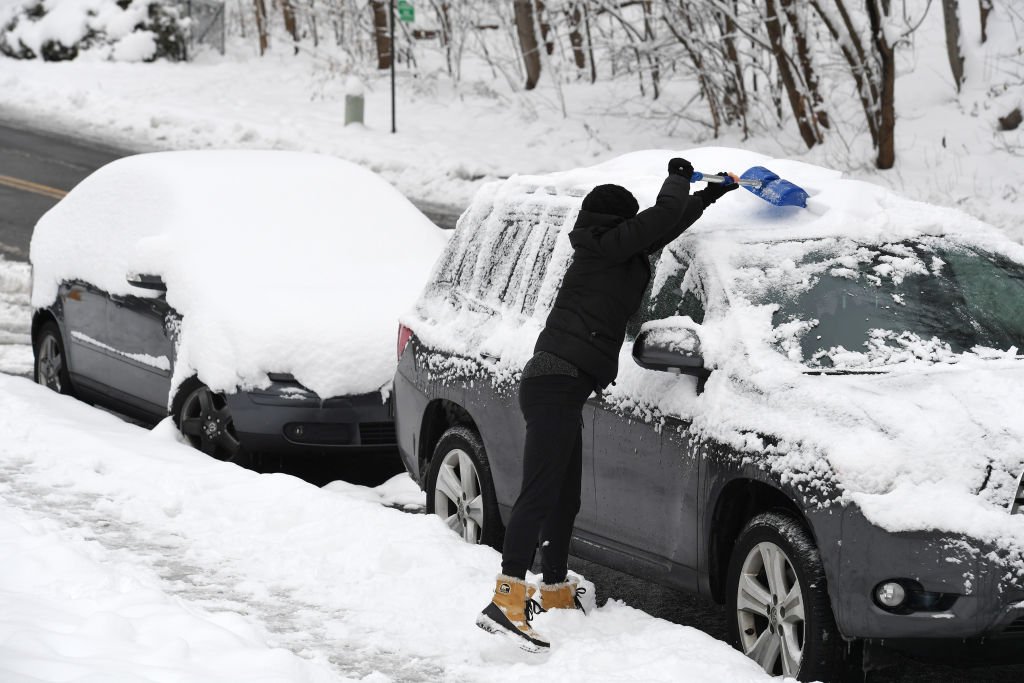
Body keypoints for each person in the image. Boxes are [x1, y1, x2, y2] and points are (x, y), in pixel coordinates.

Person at [475, 158, 740, 651]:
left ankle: (553, 588)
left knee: (564, 495)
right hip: (554, 382)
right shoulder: (602, 248)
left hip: (562, 386)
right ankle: (507, 599)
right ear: (618, 219)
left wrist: (713, 194)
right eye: (632, 218)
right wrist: (680, 176)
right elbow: (660, 219)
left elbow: (666, 225)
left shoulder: (614, 252)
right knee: (539, 492)